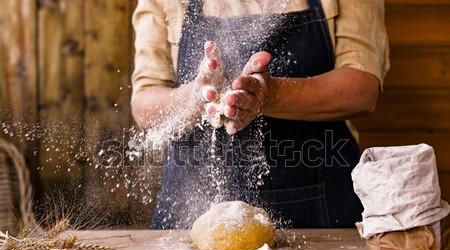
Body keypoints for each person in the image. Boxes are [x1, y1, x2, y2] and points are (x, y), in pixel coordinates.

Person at [131, 0, 390, 229]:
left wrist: (269, 95)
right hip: (189, 214)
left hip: (318, 211)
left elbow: (362, 91)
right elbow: (144, 106)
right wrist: (197, 97)